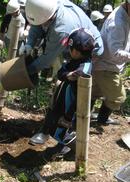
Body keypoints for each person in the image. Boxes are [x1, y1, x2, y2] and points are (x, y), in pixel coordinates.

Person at [29, 28, 95, 158]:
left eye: (70, 49)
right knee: (56, 122)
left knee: (66, 127)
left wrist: (72, 75)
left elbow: (82, 74)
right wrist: (68, 75)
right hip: (63, 98)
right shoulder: (73, 62)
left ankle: (73, 150)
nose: (68, 51)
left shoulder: (85, 66)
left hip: (73, 104)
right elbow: (61, 73)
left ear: (76, 50)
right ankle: (60, 145)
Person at [19, 0, 103, 75]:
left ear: (50, 18)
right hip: (73, 44)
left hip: (89, 51)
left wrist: (25, 72)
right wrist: (29, 44)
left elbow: (47, 58)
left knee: (76, 81)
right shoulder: (48, 7)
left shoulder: (60, 30)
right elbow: (36, 23)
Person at [91, 0, 130, 125]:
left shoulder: (123, 12)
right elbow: (116, 52)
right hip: (107, 66)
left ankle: (81, 118)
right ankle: (102, 118)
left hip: (103, 64)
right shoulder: (118, 22)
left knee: (94, 93)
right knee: (118, 97)